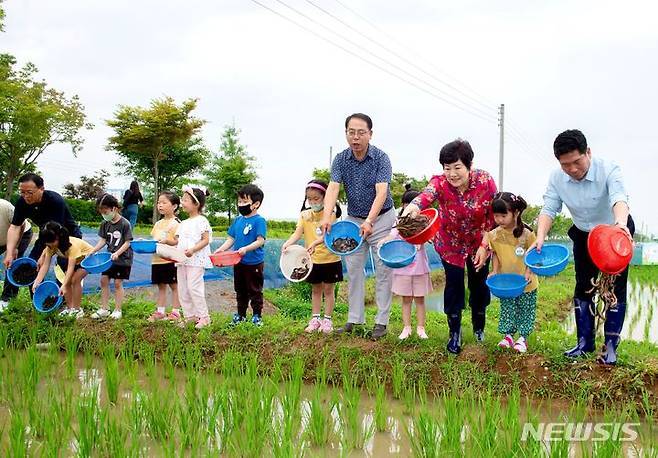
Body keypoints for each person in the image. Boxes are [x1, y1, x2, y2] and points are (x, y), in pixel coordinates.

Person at [532, 129, 634, 365]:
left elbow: (619, 198)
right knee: (584, 287)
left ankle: (610, 347)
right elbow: (549, 208)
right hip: (583, 234)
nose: (572, 169)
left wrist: (619, 225)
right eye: (566, 165)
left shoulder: (609, 169)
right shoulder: (557, 178)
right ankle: (584, 342)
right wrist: (540, 236)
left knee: (615, 290)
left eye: (577, 162)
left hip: (612, 232)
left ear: (588, 152)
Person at [403, 139, 497, 354]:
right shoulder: (440, 182)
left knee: (478, 284)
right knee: (453, 286)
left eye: (457, 167)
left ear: (469, 166)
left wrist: (485, 245)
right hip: (450, 243)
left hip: (478, 243)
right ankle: (454, 332)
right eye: (447, 168)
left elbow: (492, 217)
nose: (452, 174)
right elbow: (426, 195)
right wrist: (414, 208)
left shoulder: (485, 181)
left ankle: (479, 327)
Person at [320, 113, 396, 339]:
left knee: (383, 270)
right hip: (353, 220)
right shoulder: (341, 159)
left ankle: (381, 322)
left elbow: (382, 191)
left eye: (361, 132)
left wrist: (370, 221)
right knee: (354, 270)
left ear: (370, 134)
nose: (356, 137)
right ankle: (355, 318)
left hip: (381, 218)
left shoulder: (381, 158)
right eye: (351, 132)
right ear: (346, 134)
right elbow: (333, 188)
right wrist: (327, 216)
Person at [282, 180, 343, 333]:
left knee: (329, 290)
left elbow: (329, 235)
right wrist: (287, 243)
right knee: (316, 290)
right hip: (312, 260)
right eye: (310, 199)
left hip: (330, 258)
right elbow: (298, 233)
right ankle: (315, 319)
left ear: (325, 198)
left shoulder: (331, 215)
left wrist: (315, 243)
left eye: (316, 199)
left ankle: (327, 320)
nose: (313, 202)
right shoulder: (304, 215)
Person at [482, 192, 538, 353]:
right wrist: (494, 271)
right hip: (506, 283)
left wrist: (529, 272)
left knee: (525, 308)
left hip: (525, 281)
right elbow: (496, 255)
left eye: (503, 215)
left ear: (516, 213)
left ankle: (523, 338)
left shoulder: (527, 234)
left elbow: (533, 255)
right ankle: (508, 336)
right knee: (507, 308)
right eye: (496, 216)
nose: (499, 220)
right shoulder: (494, 234)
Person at [3, 173, 82, 280]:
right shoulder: (22, 203)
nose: (26, 196)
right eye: (22, 192)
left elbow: (55, 234)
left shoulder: (55, 201)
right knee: (32, 265)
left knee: (65, 268)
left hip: (67, 236)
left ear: (41, 189)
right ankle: (38, 295)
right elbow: (15, 227)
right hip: (45, 235)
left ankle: (63, 295)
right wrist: (10, 251)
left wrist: (44, 255)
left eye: (29, 192)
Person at [378, 185, 432, 340]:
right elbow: (392, 235)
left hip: (420, 269)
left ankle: (421, 328)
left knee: (420, 300)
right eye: (407, 205)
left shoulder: (423, 223)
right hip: (403, 268)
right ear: (403, 206)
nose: (411, 209)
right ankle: (406, 328)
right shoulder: (399, 223)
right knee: (406, 300)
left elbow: (430, 238)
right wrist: (383, 241)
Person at [215, 184, 267, 327]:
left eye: (245, 202)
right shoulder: (238, 220)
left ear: (256, 204)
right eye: (239, 202)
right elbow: (231, 239)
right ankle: (241, 315)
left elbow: (260, 240)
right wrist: (221, 249)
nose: (241, 205)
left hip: (254, 262)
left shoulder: (259, 221)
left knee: (255, 290)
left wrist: (246, 248)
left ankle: (257, 316)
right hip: (238, 262)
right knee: (240, 289)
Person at [32, 221, 93, 319]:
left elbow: (70, 267)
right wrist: (37, 282)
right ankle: (69, 308)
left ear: (58, 237)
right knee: (66, 281)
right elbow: (45, 265)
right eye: (46, 242)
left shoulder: (72, 246)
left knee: (74, 280)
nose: (49, 244)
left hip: (88, 259)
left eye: (51, 241)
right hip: (73, 261)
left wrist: (64, 285)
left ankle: (77, 310)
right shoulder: (50, 246)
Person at [89, 194, 134, 320]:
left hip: (123, 259)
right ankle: (104, 308)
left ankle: (118, 309)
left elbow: (127, 242)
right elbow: (103, 240)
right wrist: (93, 250)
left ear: (114, 208)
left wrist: (117, 253)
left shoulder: (125, 223)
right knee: (103, 280)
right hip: (109, 258)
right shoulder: (105, 223)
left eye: (105, 211)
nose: (104, 214)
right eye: (101, 212)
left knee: (118, 283)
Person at [175, 185, 212, 329]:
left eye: (185, 200)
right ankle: (190, 316)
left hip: (196, 260)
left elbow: (205, 239)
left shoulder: (202, 221)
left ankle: (204, 317)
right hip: (182, 260)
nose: (182, 202)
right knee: (183, 288)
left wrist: (193, 250)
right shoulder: (183, 223)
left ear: (196, 203)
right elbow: (177, 241)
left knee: (194, 287)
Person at [148, 191, 182, 322]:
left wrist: (168, 242)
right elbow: (154, 240)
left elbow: (178, 242)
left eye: (164, 203)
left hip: (170, 260)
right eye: (158, 203)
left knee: (174, 285)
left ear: (174, 206)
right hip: (157, 260)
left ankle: (175, 312)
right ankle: (160, 311)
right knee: (161, 286)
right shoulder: (158, 223)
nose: (160, 205)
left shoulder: (176, 223)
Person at [0, 199, 33, 312]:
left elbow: (20, 224)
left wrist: (14, 248)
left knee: (12, 264)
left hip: (21, 234)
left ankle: (7, 299)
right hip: (2, 238)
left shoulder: (4, 207)